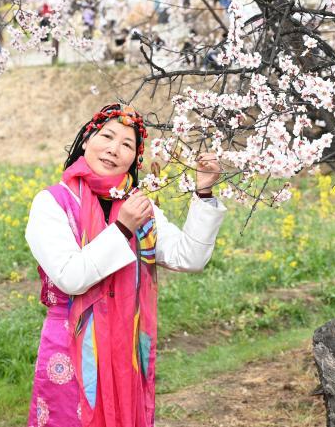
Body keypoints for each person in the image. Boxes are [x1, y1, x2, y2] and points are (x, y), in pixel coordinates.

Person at [25, 103, 226, 427]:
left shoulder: (137, 207)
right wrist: (122, 228)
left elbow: (188, 257)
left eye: (127, 144)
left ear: (134, 159)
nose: (114, 149)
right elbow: (70, 277)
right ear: (86, 140)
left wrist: (203, 191)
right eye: (107, 136)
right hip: (70, 343)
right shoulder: (52, 203)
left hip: (125, 347)